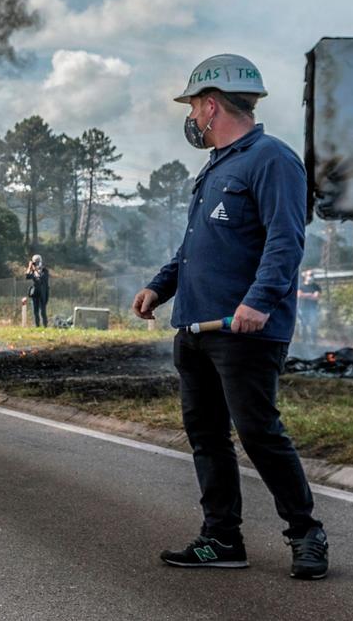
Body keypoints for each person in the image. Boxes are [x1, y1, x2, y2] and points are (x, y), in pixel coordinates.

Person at [131, 54, 329, 581]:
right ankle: (221, 539)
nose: (192, 119)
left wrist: (258, 302)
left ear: (212, 104)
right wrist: (160, 286)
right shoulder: (215, 167)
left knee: (258, 432)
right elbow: (195, 248)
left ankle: (306, 533)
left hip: (244, 332)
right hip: (195, 329)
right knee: (207, 436)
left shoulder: (272, 160)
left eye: (194, 108)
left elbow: (287, 241)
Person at [24, 254, 51, 327]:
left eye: (38, 261)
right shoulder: (33, 271)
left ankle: (45, 326)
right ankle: (37, 326)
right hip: (35, 293)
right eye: (35, 262)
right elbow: (27, 276)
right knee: (35, 312)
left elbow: (40, 278)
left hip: (43, 293)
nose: (37, 263)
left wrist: (35, 270)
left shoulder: (45, 271)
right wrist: (29, 267)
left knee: (43, 311)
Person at [296, 270, 322, 342]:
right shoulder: (300, 286)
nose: (311, 277)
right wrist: (311, 294)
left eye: (312, 275)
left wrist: (305, 295)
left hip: (313, 309)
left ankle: (313, 342)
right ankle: (303, 342)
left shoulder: (316, 286)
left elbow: (316, 297)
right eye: (310, 275)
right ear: (305, 276)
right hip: (302, 309)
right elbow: (299, 295)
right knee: (303, 326)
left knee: (313, 325)